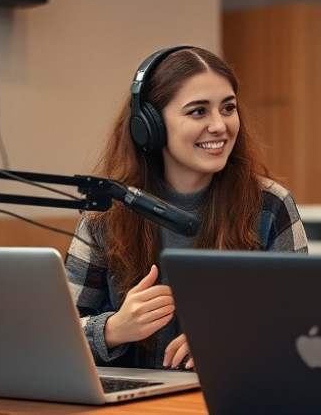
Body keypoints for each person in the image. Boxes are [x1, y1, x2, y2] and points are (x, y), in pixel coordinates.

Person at [65, 46, 308, 371]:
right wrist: (113, 330)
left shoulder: (269, 206)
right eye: (198, 111)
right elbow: (56, 335)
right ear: (149, 125)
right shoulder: (109, 209)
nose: (220, 125)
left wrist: (233, 338)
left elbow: (303, 326)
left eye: (228, 108)